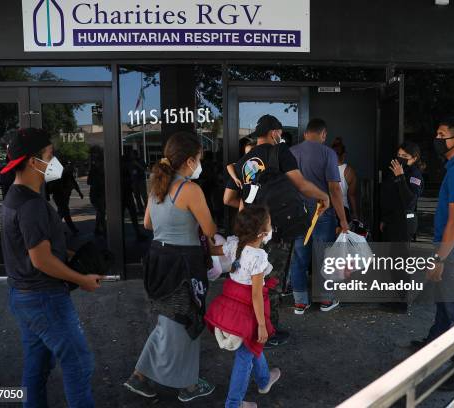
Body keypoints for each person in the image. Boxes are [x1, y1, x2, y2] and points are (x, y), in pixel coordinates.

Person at [0, 128, 102, 408]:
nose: (54, 160)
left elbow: (33, 246)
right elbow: (41, 260)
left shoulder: (14, 196)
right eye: (49, 154)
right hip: (44, 298)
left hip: (23, 296)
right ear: (33, 161)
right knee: (79, 363)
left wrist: (72, 253)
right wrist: (81, 279)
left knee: (37, 365)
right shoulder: (31, 205)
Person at [124, 131, 217, 403]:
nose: (200, 163)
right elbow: (210, 228)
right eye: (199, 158)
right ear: (189, 160)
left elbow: (148, 225)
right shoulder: (190, 189)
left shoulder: (157, 185)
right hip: (184, 264)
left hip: (157, 261)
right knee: (185, 322)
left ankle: (140, 375)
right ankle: (187, 385)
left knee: (168, 321)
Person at [223, 114, 330, 348]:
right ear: (274, 133)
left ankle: (254, 324)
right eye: (280, 132)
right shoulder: (280, 152)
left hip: (254, 231)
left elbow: (228, 198)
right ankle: (268, 331)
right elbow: (300, 184)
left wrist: (253, 213)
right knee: (272, 280)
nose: (281, 136)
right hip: (279, 228)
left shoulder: (242, 163)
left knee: (255, 279)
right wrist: (324, 196)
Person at [411, 116, 454, 391]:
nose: (437, 139)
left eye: (442, 135)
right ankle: (432, 344)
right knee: (444, 307)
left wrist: (440, 260)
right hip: (453, 250)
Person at [205, 206, 282, 408]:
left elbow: (213, 250)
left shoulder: (233, 245)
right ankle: (234, 403)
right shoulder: (258, 257)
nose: (271, 228)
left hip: (230, 303)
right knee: (244, 356)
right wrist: (262, 325)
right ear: (262, 233)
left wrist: (206, 239)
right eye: (270, 224)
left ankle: (264, 380)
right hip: (247, 311)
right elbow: (256, 295)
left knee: (250, 345)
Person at [288, 118, 348, 314]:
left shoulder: (291, 152)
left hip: (298, 214)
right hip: (322, 213)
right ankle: (325, 300)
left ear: (306, 133)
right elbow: (335, 189)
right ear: (323, 135)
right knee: (324, 257)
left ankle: (299, 302)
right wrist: (343, 220)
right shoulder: (328, 153)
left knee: (299, 256)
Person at [379, 141, 425, 313]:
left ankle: (402, 302)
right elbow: (389, 197)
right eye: (399, 155)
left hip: (404, 224)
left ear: (414, 159)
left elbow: (409, 201)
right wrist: (384, 218)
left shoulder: (414, 175)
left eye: (405, 157)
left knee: (401, 263)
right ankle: (395, 298)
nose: (400, 159)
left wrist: (400, 177)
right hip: (391, 222)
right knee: (393, 262)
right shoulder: (395, 171)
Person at [46, 160, 84, 236]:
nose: (70, 167)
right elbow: (49, 185)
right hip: (60, 196)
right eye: (68, 165)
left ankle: (55, 230)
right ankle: (72, 230)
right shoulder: (59, 174)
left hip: (64, 196)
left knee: (62, 213)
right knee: (65, 212)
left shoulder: (67, 173)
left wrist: (79, 192)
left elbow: (74, 183)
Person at [331, 137, 359, 224]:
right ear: (344, 155)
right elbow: (352, 195)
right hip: (343, 210)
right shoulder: (350, 171)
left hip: (327, 209)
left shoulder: (324, 169)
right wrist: (355, 214)